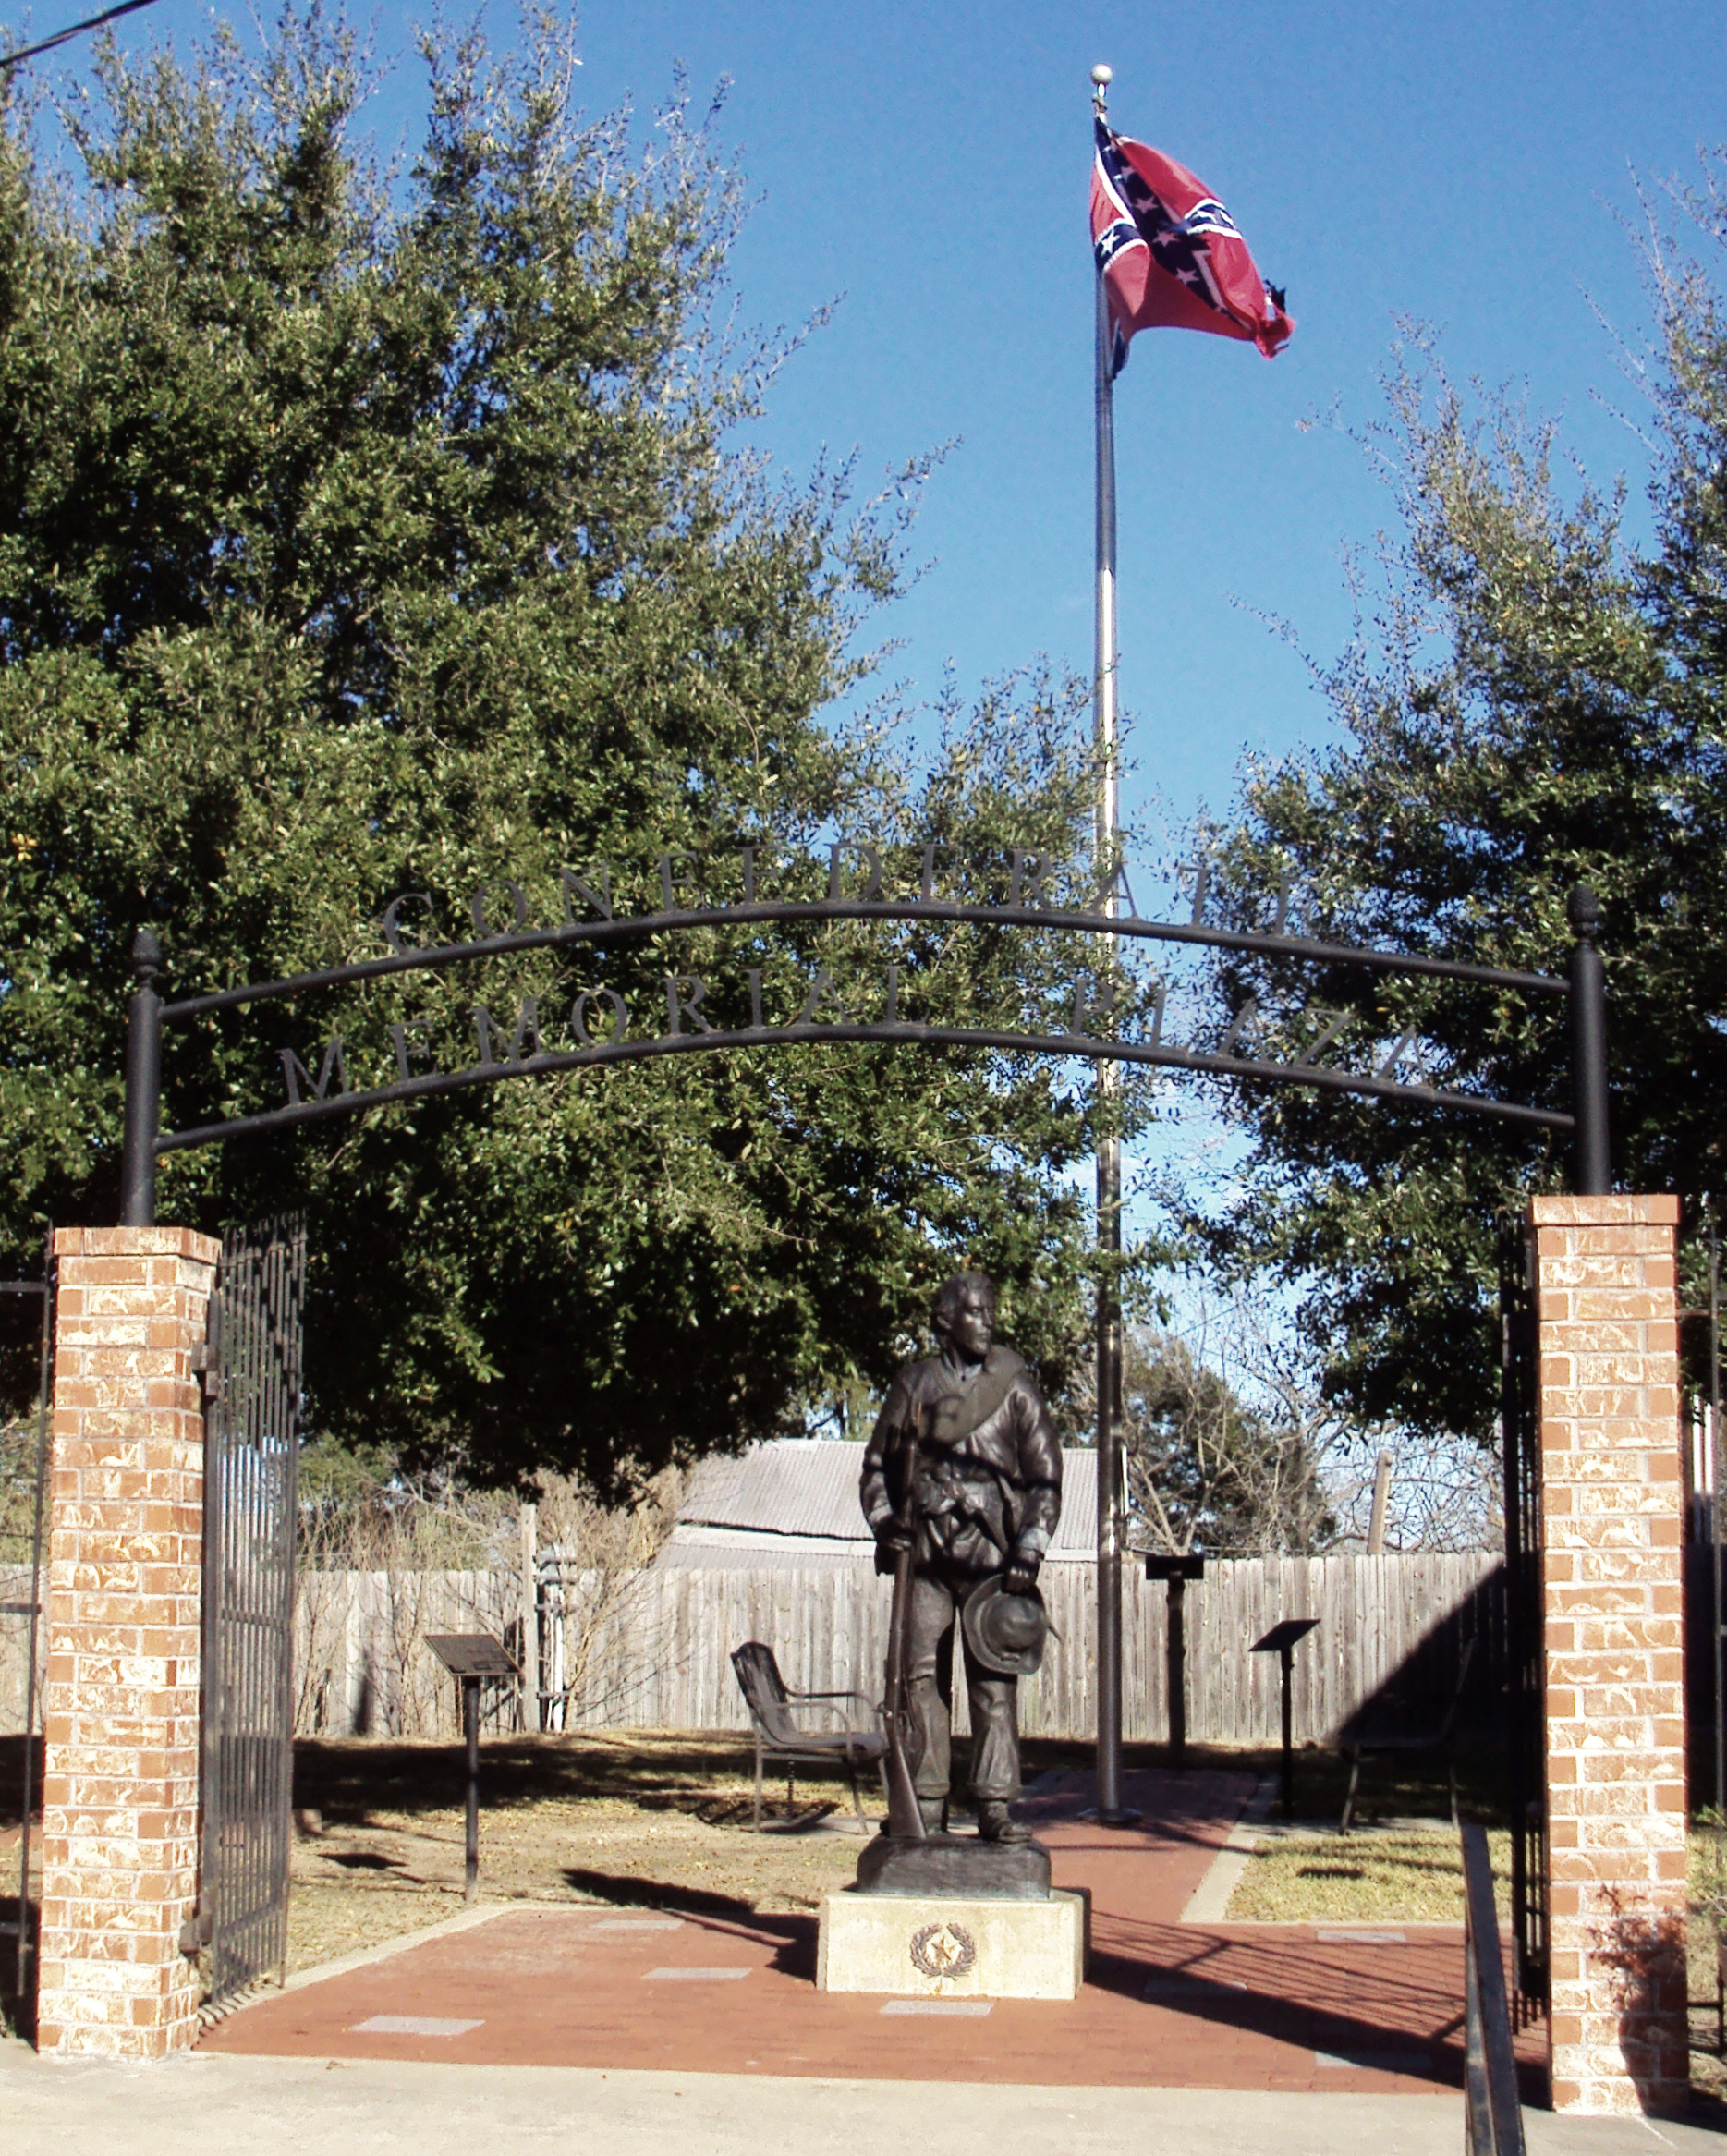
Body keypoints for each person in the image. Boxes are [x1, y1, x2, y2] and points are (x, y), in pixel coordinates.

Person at [859, 1272, 1062, 1841]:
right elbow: (877, 1467)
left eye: (990, 1310)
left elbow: (1045, 1475)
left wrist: (1030, 1544)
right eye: (974, 1311)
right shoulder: (914, 1384)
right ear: (946, 1320)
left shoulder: (1015, 1387)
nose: (987, 1320)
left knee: (994, 1683)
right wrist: (884, 1522)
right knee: (919, 1680)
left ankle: (996, 1805)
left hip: (989, 1558)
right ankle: (925, 1803)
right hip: (923, 1556)